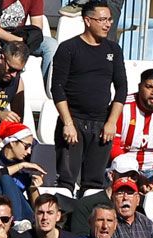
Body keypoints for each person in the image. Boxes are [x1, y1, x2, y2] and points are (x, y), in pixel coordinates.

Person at [50, 0, 126, 195]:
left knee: (94, 185)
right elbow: (57, 88)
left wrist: (111, 122)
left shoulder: (113, 50)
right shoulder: (69, 48)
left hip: (101, 126)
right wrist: (67, 123)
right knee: (66, 182)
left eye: (109, 19)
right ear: (87, 20)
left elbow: (121, 88)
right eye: (102, 20)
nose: (108, 24)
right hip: (73, 122)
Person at [0, 0, 55, 80]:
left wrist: (27, 40)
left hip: (19, 35)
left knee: (51, 44)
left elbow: (37, 27)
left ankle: (47, 86)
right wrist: (17, 40)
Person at [0, 120, 43, 223]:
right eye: (26, 146)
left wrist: (33, 188)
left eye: (31, 147)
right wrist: (20, 166)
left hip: (21, 213)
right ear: (12, 143)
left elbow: (37, 207)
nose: (29, 152)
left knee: (5, 179)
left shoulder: (26, 166)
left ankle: (16, 221)